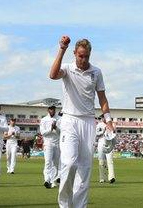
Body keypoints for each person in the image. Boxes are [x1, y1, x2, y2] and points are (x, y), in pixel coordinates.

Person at [49, 36, 114, 208]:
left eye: (86, 56)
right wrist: (61, 48)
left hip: (88, 122)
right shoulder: (68, 69)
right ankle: (64, 205)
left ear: (90, 55)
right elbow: (52, 75)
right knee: (69, 163)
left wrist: (108, 120)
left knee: (84, 170)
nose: (83, 60)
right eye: (80, 56)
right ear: (75, 54)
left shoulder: (96, 72)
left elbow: (103, 99)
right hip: (70, 119)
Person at [40, 105, 61, 189]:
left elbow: (61, 132)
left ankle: (53, 181)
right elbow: (43, 133)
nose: (52, 111)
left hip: (57, 143)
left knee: (56, 163)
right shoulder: (44, 119)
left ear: (55, 110)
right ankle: (47, 180)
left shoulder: (60, 119)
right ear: (48, 110)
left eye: (53, 109)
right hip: (48, 143)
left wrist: (56, 128)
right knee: (48, 162)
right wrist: (50, 129)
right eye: (50, 109)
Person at [96, 117, 116, 184]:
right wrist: (103, 131)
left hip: (109, 142)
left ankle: (111, 177)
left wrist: (113, 144)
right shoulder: (99, 125)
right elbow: (97, 134)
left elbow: (114, 135)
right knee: (101, 161)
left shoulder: (111, 125)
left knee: (110, 161)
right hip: (101, 142)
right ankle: (102, 178)